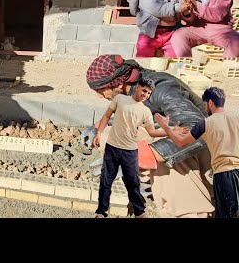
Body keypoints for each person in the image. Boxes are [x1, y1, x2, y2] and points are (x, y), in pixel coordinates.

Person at [86, 54, 215, 218]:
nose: (99, 95)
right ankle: (147, 184)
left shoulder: (162, 89)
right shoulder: (131, 88)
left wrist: (149, 154)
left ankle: (191, 210)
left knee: (164, 154)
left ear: (118, 83)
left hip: (207, 153)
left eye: (100, 90)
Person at [156, 87, 239, 218]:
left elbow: (181, 142)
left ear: (210, 103)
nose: (205, 108)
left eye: (205, 105)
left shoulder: (205, 123)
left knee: (226, 212)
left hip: (225, 173)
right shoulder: (236, 116)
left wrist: (166, 127)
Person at [93, 77, 169, 218]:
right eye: (144, 90)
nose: (145, 95)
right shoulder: (120, 99)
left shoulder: (146, 111)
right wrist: (98, 133)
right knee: (106, 180)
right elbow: (107, 115)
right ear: (138, 87)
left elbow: (152, 132)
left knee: (132, 182)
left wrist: (169, 131)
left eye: (148, 93)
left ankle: (139, 212)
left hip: (130, 150)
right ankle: (101, 211)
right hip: (113, 146)